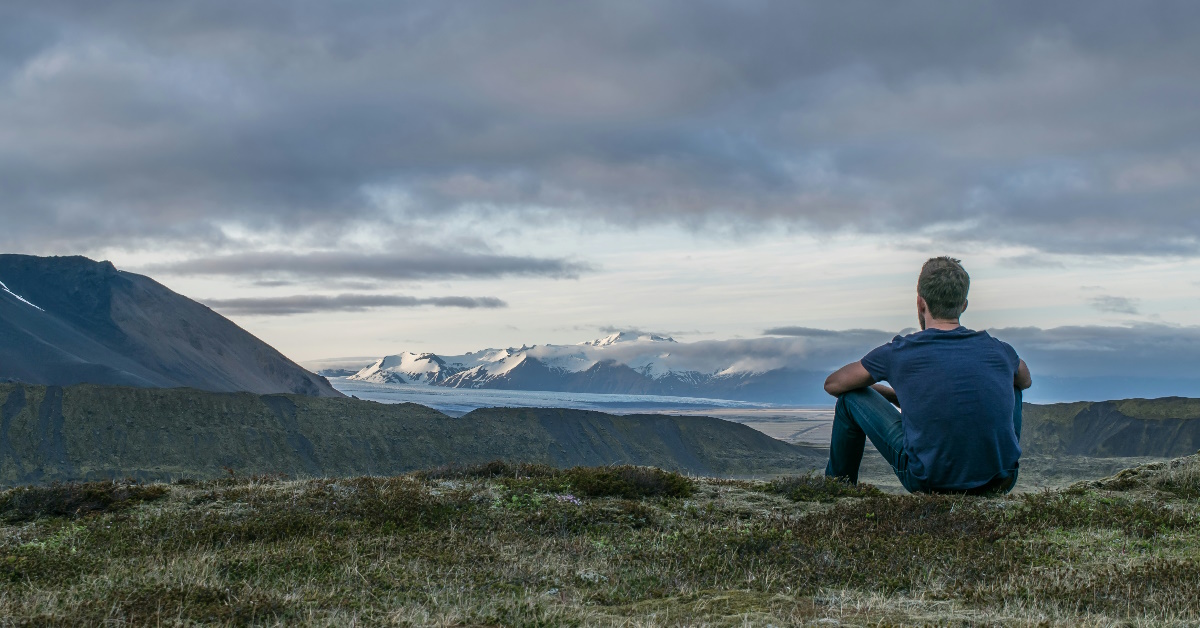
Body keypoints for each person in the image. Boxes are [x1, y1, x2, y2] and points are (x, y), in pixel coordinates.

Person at [823, 257, 1032, 494]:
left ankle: (837, 490)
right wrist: (901, 396)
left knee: (849, 400)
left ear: (921, 303)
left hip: (928, 480)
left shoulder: (899, 352)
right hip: (1001, 480)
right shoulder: (1000, 350)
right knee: (1013, 384)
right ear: (963, 305)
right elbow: (1025, 380)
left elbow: (833, 384)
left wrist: (874, 390)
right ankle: (995, 465)